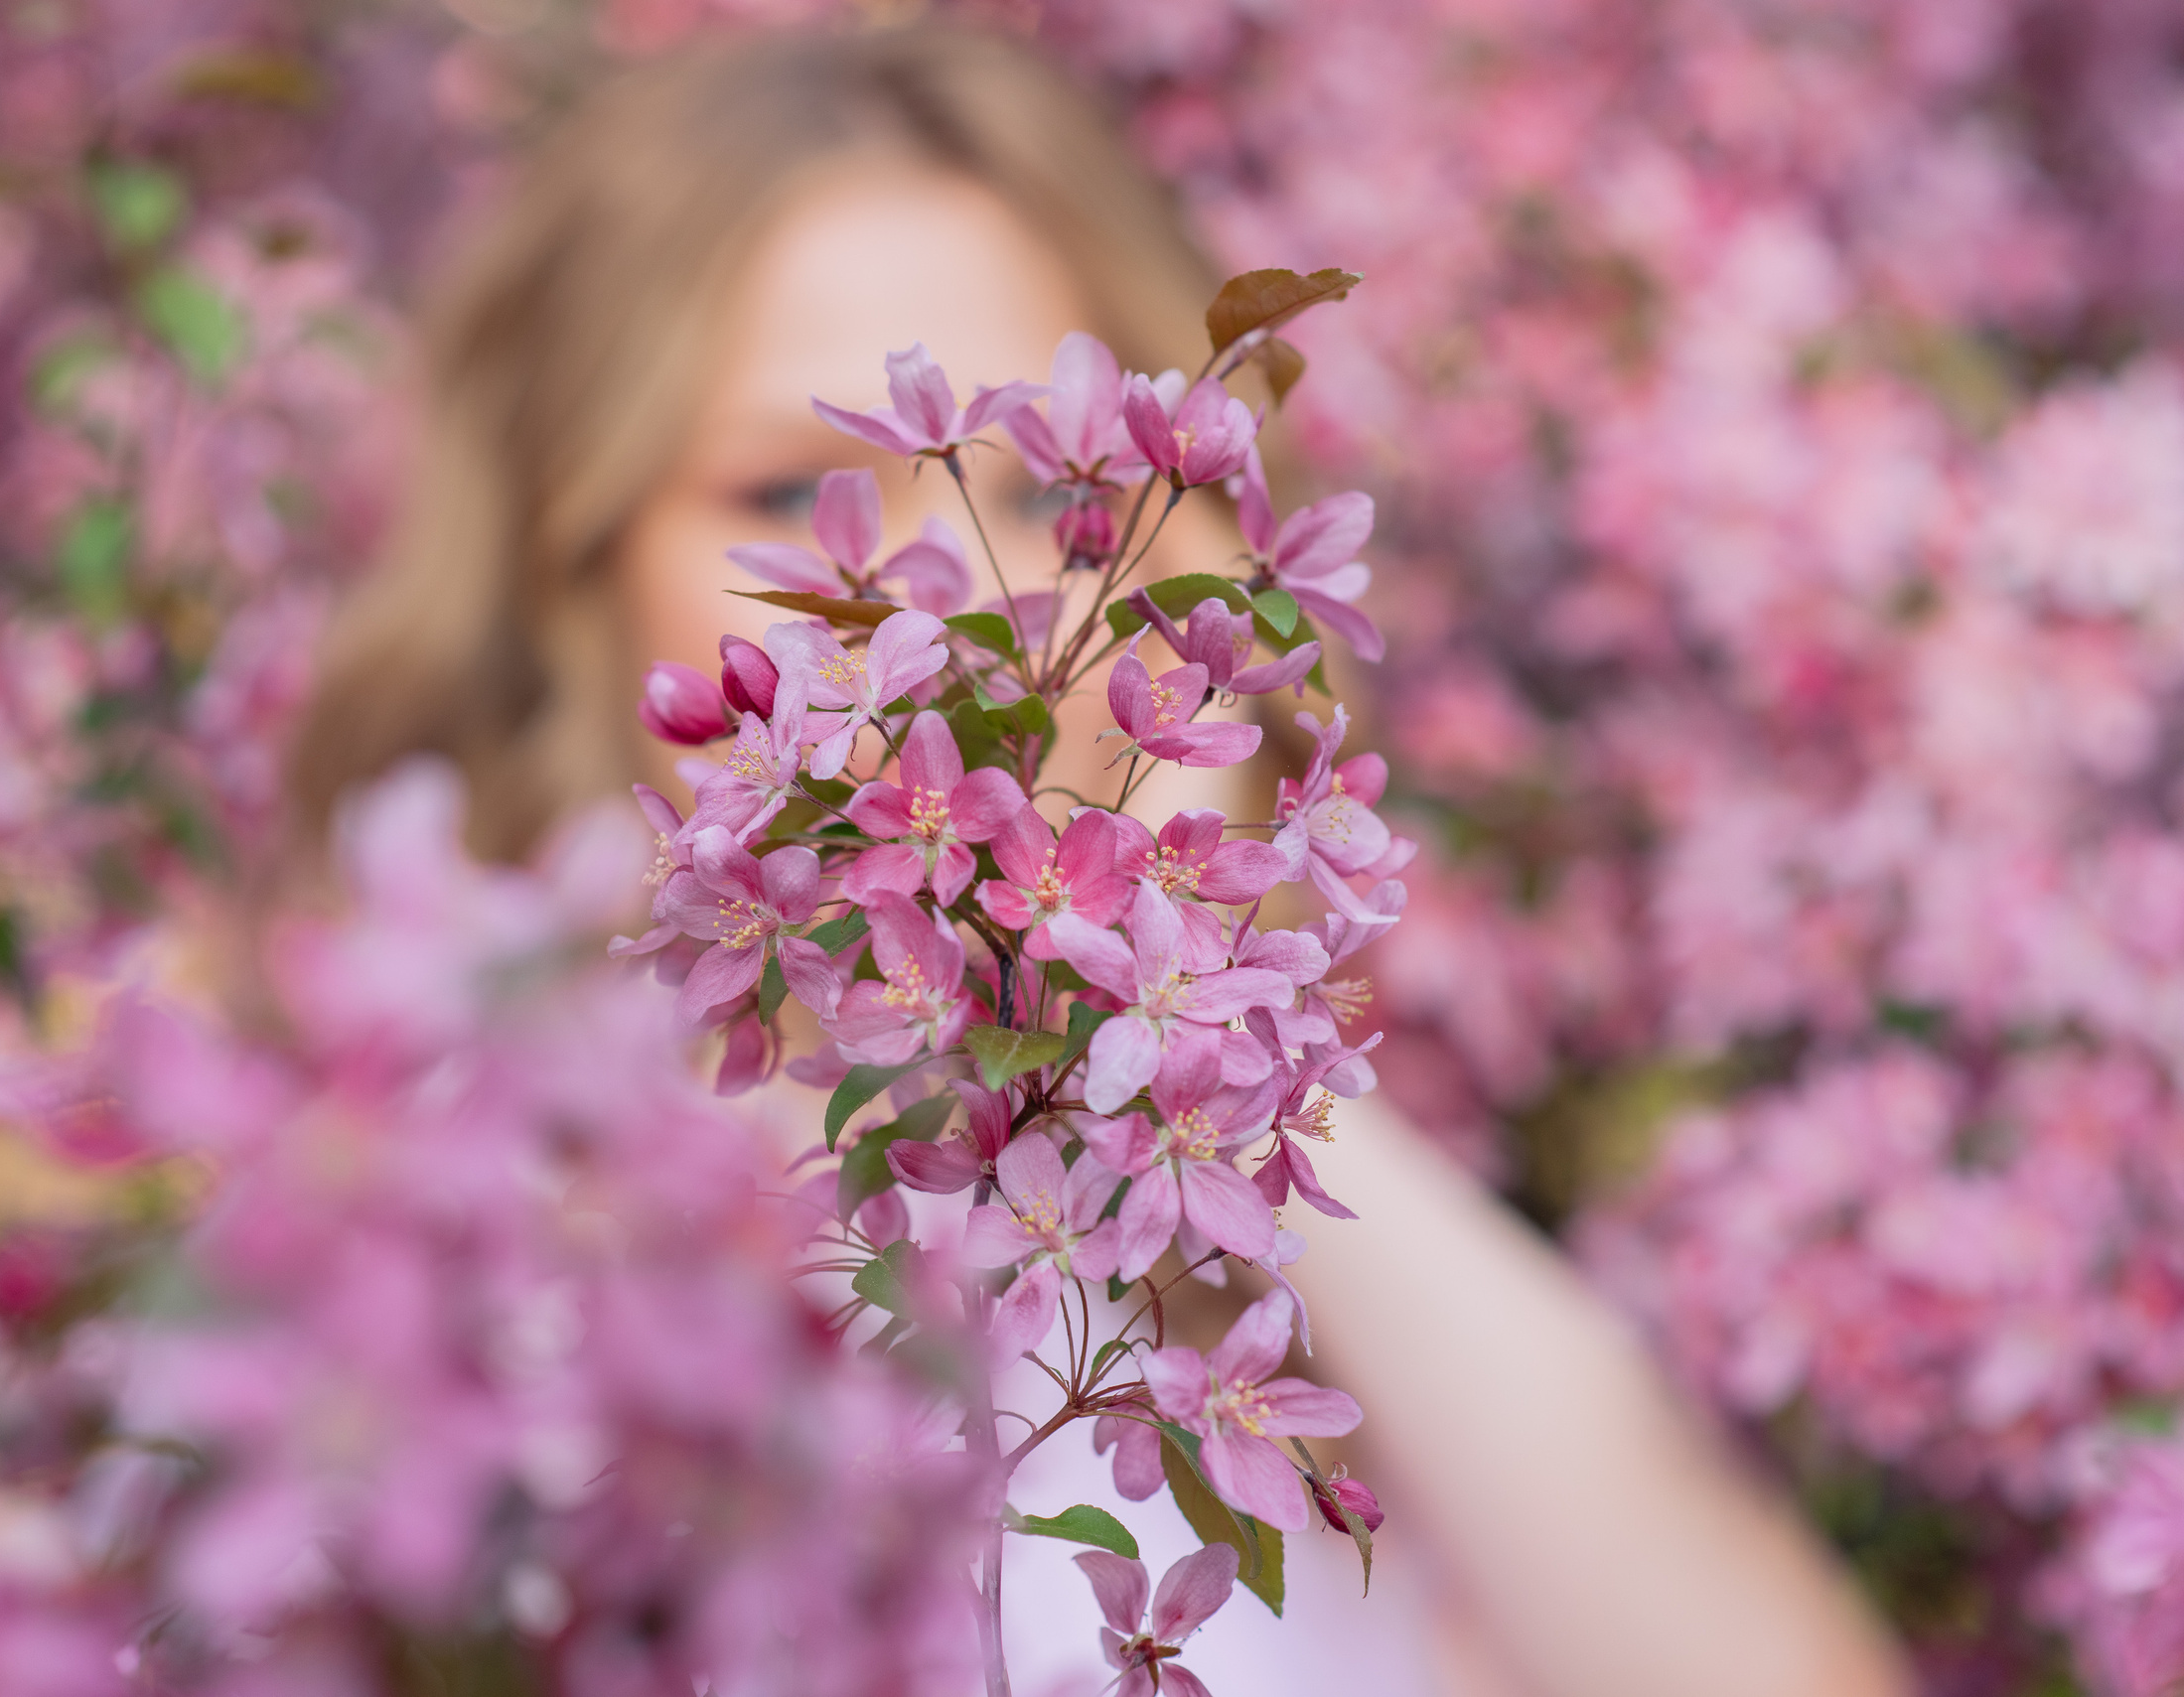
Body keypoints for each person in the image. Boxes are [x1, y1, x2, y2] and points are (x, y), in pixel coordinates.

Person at [286, 24, 1910, 1697]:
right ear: (576, 560)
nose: (933, 593)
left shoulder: (1212, 1329)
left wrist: (1187, 994)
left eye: (1040, 488)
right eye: (786, 480)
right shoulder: (429, 1245)